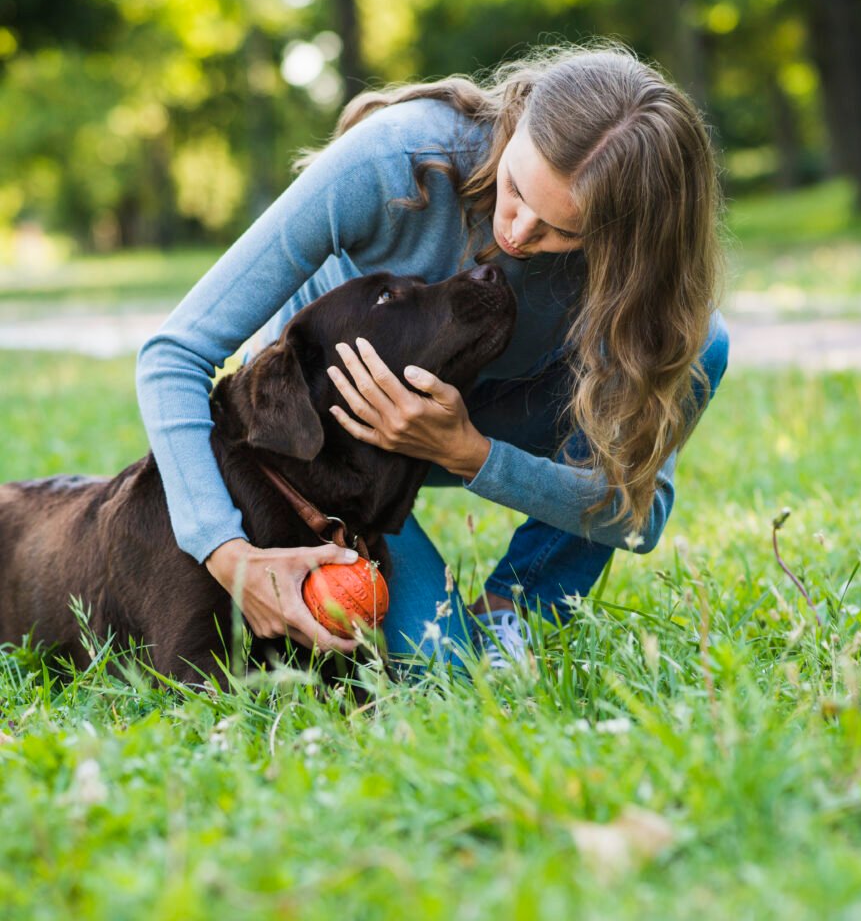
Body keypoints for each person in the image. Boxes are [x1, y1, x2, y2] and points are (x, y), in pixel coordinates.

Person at [136, 40, 729, 677]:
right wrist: (227, 553)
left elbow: (636, 515)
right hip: (334, 463)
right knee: (438, 670)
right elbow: (174, 354)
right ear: (519, 120)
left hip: (486, 426)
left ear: (626, 239)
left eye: (564, 230)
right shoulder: (397, 161)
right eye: (517, 189)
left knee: (704, 346)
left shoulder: (652, 299)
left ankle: (513, 612)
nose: (518, 234)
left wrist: (469, 453)